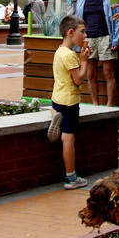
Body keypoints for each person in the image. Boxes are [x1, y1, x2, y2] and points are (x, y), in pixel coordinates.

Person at [47, 15, 93, 189]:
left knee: (56, 111)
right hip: (70, 101)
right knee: (68, 139)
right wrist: (84, 61)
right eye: (82, 32)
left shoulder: (59, 51)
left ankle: (54, 116)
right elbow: (79, 79)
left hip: (57, 98)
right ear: (71, 32)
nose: (85, 36)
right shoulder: (70, 56)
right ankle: (71, 177)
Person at [75, 0, 119, 106]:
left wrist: (116, 39)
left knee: (108, 73)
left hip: (106, 37)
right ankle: (95, 104)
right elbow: (78, 19)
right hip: (89, 39)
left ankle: (109, 105)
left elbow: (117, 18)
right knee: (91, 74)